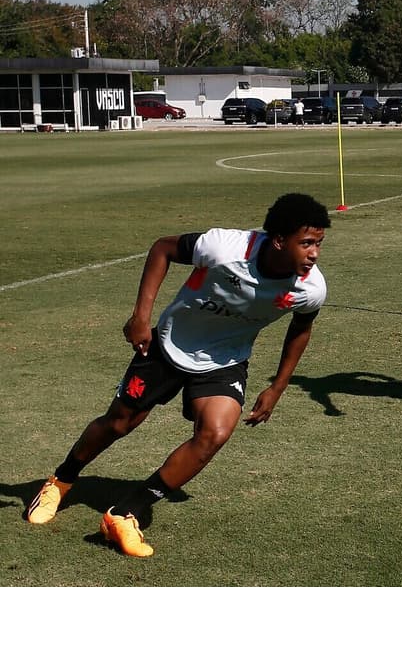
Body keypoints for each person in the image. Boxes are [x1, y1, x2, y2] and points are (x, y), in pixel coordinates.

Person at [25, 193, 331, 556]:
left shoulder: (310, 289)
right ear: (279, 240)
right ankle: (61, 481)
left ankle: (126, 512)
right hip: (167, 347)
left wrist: (277, 388)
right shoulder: (224, 247)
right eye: (307, 243)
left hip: (224, 361)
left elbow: (300, 330)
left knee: (215, 432)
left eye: (319, 244)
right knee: (119, 423)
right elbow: (162, 249)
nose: (314, 254)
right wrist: (141, 317)